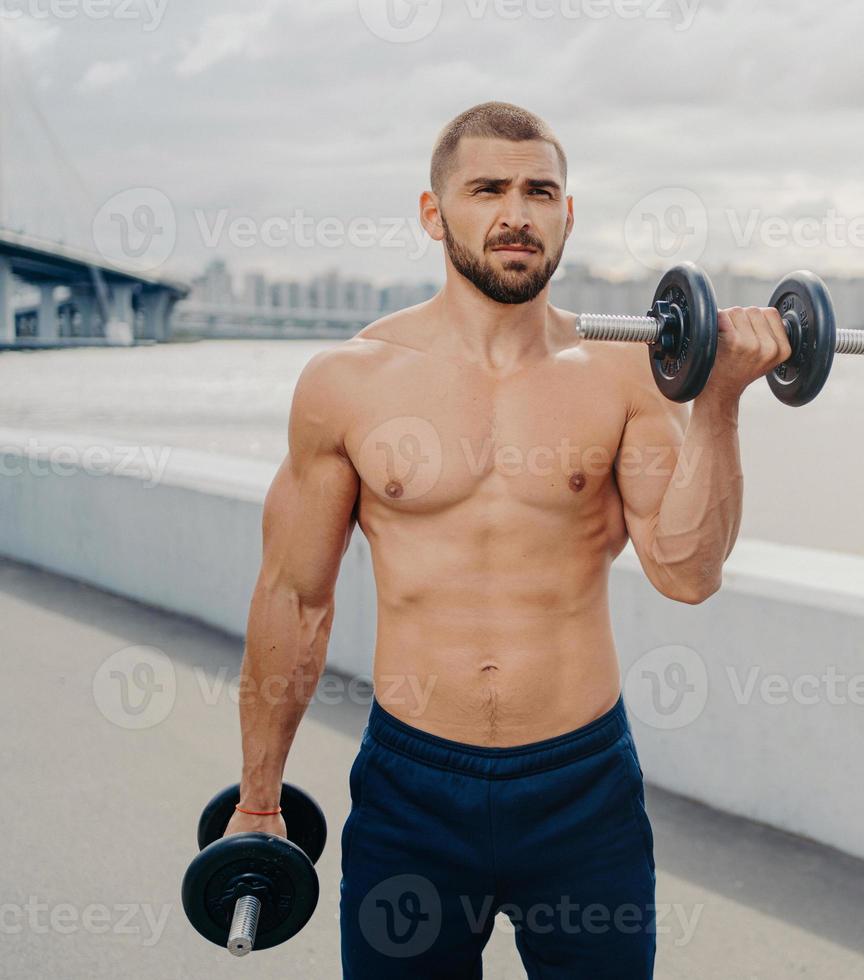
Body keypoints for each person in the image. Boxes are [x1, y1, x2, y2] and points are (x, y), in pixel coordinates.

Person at [220, 101, 792, 978]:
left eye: (539, 191)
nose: (515, 212)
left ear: (569, 213)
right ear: (432, 212)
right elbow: (295, 599)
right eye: (487, 189)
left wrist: (717, 403)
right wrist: (260, 796)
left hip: (581, 789)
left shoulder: (626, 370)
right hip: (412, 790)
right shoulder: (349, 382)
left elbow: (687, 573)